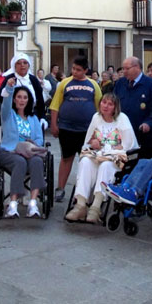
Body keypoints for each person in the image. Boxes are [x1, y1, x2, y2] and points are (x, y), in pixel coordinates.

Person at [65, 94, 137, 223]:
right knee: (85, 162)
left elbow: (129, 144)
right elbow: (88, 140)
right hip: (97, 154)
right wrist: (93, 142)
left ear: (115, 108)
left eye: (110, 104)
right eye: (104, 102)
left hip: (114, 157)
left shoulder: (122, 119)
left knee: (106, 166)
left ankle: (96, 206)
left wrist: (112, 147)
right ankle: (80, 204)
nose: (106, 106)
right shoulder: (96, 117)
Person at [50, 56, 102, 203]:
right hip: (66, 128)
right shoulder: (64, 83)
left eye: (78, 70)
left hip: (87, 130)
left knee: (86, 160)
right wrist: (54, 124)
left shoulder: (93, 85)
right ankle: (60, 188)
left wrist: (99, 130)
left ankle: (82, 192)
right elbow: (55, 106)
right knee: (66, 158)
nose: (75, 72)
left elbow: (100, 107)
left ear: (86, 70)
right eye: (73, 69)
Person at [0, 78, 46, 218]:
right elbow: (5, 103)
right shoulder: (8, 115)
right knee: (19, 162)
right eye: (19, 97)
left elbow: (39, 139)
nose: (22, 100)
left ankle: (33, 202)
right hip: (10, 151)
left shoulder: (33, 119)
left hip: (29, 152)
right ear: (14, 99)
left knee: (37, 162)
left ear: (28, 100)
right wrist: (9, 87)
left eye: (25, 97)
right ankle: (13, 204)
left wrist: (30, 146)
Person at [113, 56, 152, 159]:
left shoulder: (151, 84)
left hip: (143, 133)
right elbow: (114, 103)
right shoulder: (120, 83)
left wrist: (149, 123)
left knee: (141, 166)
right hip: (122, 133)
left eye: (127, 68)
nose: (124, 71)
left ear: (137, 67)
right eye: (123, 68)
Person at [0, 53, 46, 121]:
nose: (22, 65)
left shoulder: (33, 79)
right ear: (15, 66)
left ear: (28, 65)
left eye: (25, 63)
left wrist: (42, 117)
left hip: (32, 115)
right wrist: (7, 89)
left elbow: (40, 99)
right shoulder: (9, 78)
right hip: (13, 117)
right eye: (19, 63)